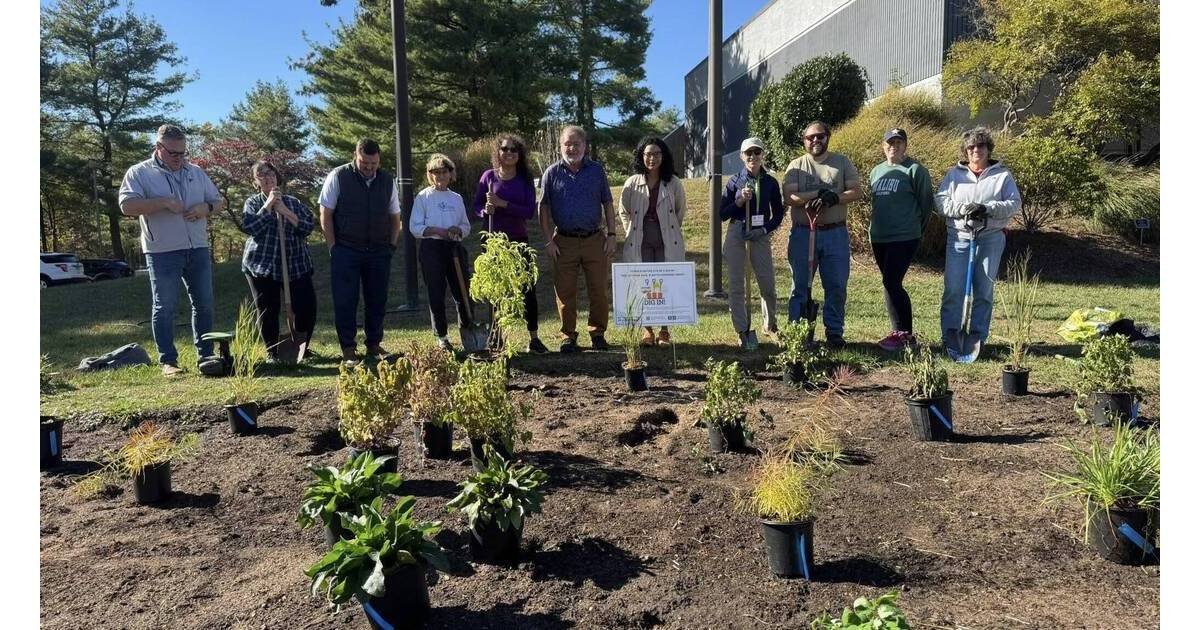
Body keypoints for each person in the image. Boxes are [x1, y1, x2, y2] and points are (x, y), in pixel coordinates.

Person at [118, 124, 225, 377]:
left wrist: (205, 209)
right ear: (158, 148)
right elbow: (127, 205)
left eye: (183, 153)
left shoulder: (196, 172)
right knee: (164, 305)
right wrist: (163, 202)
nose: (179, 158)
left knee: (204, 304)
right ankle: (168, 361)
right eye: (173, 153)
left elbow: (220, 202)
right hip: (162, 251)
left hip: (197, 247)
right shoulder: (139, 173)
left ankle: (206, 355)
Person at [935, 127, 1022, 357]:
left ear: (988, 149)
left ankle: (978, 337)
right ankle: (950, 336)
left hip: (990, 238)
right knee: (954, 288)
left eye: (980, 146)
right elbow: (941, 203)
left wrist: (987, 209)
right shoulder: (954, 175)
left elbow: (1014, 204)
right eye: (971, 147)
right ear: (965, 151)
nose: (976, 150)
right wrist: (964, 209)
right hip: (960, 237)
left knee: (983, 289)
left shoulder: (1002, 175)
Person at [318, 138, 402, 362]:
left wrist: (391, 246)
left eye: (374, 163)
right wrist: (333, 247)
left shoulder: (387, 180)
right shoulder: (338, 176)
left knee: (377, 299)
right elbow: (325, 215)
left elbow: (395, 217)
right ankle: (348, 348)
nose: (369, 168)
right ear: (355, 156)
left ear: (379, 160)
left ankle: (374, 345)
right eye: (365, 162)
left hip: (379, 251)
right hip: (346, 249)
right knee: (345, 300)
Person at [782, 121, 863, 349]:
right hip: (803, 234)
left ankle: (834, 333)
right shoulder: (797, 165)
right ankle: (799, 333)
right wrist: (817, 193)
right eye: (810, 138)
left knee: (836, 285)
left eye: (820, 136)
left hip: (835, 234)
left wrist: (834, 198)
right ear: (804, 140)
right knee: (800, 286)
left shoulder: (841, 162)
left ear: (828, 137)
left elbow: (856, 191)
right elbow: (790, 197)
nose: (815, 141)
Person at [538, 125, 618, 353]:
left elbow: (608, 204)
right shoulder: (551, 173)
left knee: (599, 290)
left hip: (595, 239)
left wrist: (612, 235)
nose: (572, 148)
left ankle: (598, 334)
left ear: (584, 146)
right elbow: (542, 208)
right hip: (563, 241)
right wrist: (547, 241)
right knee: (565, 291)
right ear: (560, 146)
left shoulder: (596, 171)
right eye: (567, 144)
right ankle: (568, 336)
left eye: (576, 144)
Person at [472, 134, 547, 354]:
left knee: (527, 289)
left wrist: (503, 203)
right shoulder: (488, 177)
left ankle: (533, 338)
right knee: (497, 290)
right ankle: (497, 336)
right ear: (498, 152)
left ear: (519, 154)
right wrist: (486, 210)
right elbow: (477, 206)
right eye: (505, 149)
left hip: (518, 242)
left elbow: (529, 211)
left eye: (514, 150)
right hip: (494, 242)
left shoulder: (524, 179)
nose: (509, 153)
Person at [240, 159, 318, 361]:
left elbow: (308, 227)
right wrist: (268, 205)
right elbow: (251, 227)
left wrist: (285, 211)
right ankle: (272, 352)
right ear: (256, 181)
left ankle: (301, 347)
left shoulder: (293, 202)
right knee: (267, 309)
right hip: (262, 265)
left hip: (296, 264)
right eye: (262, 175)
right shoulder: (253, 202)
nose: (268, 178)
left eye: (271, 173)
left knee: (306, 307)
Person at [868, 128, 935, 351]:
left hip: (905, 236)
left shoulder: (915, 170)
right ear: (883, 145)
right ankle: (898, 332)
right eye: (889, 142)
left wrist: (916, 230)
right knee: (889, 283)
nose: (893, 146)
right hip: (879, 237)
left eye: (898, 142)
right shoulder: (876, 171)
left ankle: (905, 334)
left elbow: (926, 205)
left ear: (905, 146)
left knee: (892, 282)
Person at [617, 137, 688, 347]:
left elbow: (679, 210)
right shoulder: (632, 182)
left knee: (665, 283)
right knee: (644, 283)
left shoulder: (673, 183)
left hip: (666, 237)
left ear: (663, 156)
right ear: (641, 156)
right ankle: (647, 331)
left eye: (656, 154)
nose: (652, 158)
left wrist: (670, 229)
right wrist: (630, 229)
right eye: (648, 154)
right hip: (641, 238)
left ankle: (664, 331)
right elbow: (623, 210)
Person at [719, 137, 785, 348]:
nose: (753, 157)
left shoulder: (770, 183)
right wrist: (739, 199)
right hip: (737, 232)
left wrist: (764, 230)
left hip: (759, 234)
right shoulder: (734, 182)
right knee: (737, 285)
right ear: (741, 156)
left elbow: (778, 214)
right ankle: (742, 329)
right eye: (748, 153)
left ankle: (770, 326)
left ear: (762, 155)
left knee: (767, 285)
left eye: (757, 153)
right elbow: (722, 214)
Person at [411, 154, 472, 352]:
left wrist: (457, 230)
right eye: (435, 172)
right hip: (432, 249)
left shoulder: (456, 198)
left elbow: (466, 225)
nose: (439, 176)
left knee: (463, 292)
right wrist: (438, 231)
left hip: (454, 248)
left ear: (450, 174)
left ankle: (468, 331)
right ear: (430, 175)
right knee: (436, 293)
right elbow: (415, 227)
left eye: (443, 172)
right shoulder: (423, 197)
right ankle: (442, 336)